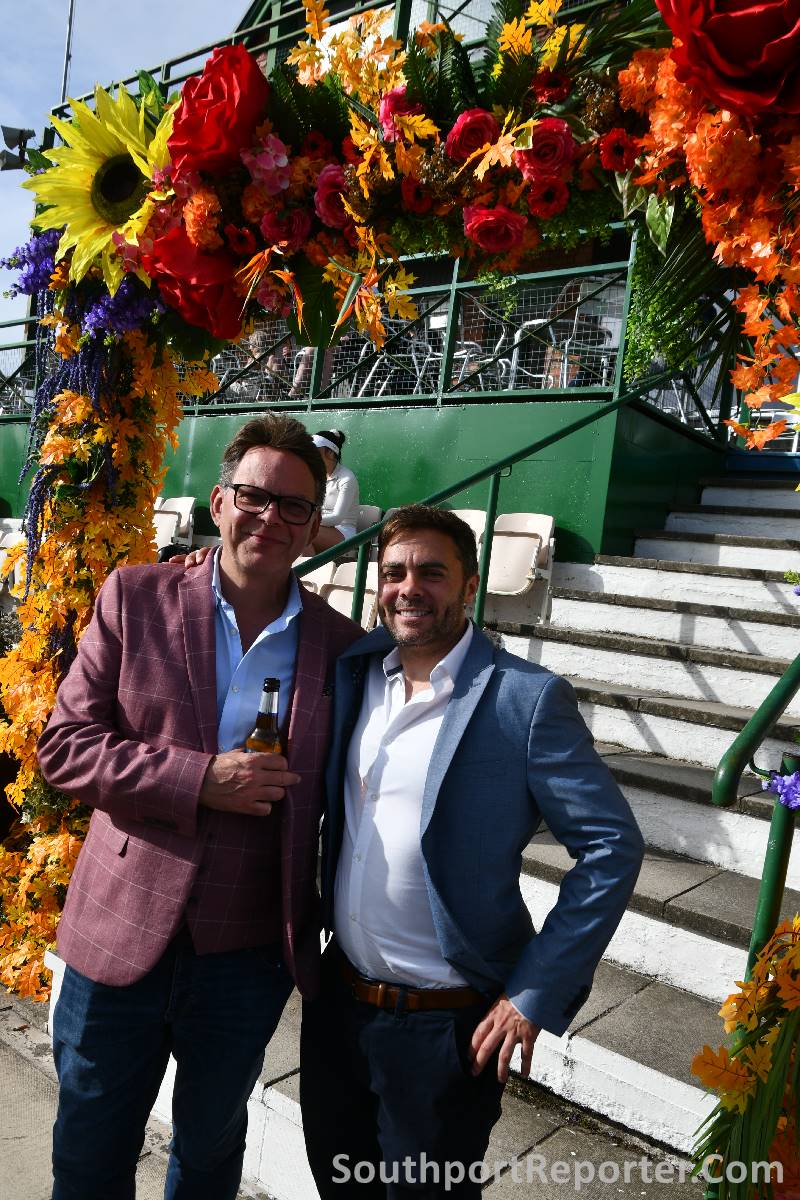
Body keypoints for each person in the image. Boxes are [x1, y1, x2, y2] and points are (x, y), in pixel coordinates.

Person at [36, 414, 361, 1200]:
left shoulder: (343, 646)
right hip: (119, 928)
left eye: (293, 506)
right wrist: (198, 779)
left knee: (210, 1155)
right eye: (254, 497)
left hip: (247, 951)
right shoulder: (136, 596)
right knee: (89, 1153)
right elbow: (66, 748)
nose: (270, 518)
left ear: (313, 526)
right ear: (218, 502)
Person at [299, 504, 645, 1198]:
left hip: (445, 1028)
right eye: (394, 572)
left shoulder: (526, 699)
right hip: (338, 1008)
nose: (409, 588)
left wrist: (534, 993)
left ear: (469, 585)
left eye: (432, 572)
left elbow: (611, 846)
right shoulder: (356, 671)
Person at [306, 429, 361, 554]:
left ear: (331, 453)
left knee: (304, 534)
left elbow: (337, 518)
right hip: (320, 526)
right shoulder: (317, 477)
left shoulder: (347, 478)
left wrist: (308, 519)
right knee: (299, 534)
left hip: (344, 532)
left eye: (316, 451)